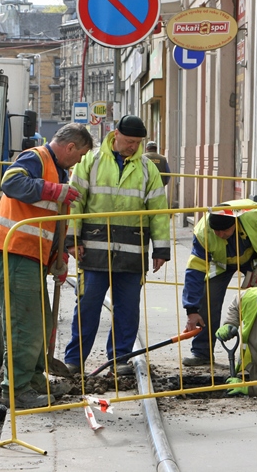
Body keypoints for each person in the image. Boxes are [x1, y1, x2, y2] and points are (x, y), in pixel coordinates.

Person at [0, 123, 93, 409]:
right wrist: (54, 190)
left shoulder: (59, 170)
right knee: (25, 326)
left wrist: (58, 257)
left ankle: (32, 380)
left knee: (40, 322)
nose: (80, 161)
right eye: (80, 154)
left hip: (31, 255)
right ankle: (17, 390)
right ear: (70, 147)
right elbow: (11, 183)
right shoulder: (36, 158)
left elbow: (50, 221)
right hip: (14, 250)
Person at [63, 115, 171, 376]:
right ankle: (74, 360)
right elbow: (75, 202)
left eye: (137, 143)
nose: (133, 146)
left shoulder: (148, 169)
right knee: (87, 306)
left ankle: (119, 359)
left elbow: (158, 210)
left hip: (132, 254)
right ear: (116, 134)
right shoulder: (91, 161)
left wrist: (162, 249)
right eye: (129, 141)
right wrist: (72, 239)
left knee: (127, 309)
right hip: (94, 250)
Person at [182, 199, 257, 365]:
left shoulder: (256, 216)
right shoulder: (203, 232)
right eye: (217, 231)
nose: (221, 235)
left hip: (252, 260)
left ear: (235, 221)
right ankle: (202, 352)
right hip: (220, 264)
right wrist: (191, 309)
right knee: (207, 299)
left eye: (225, 231)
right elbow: (195, 270)